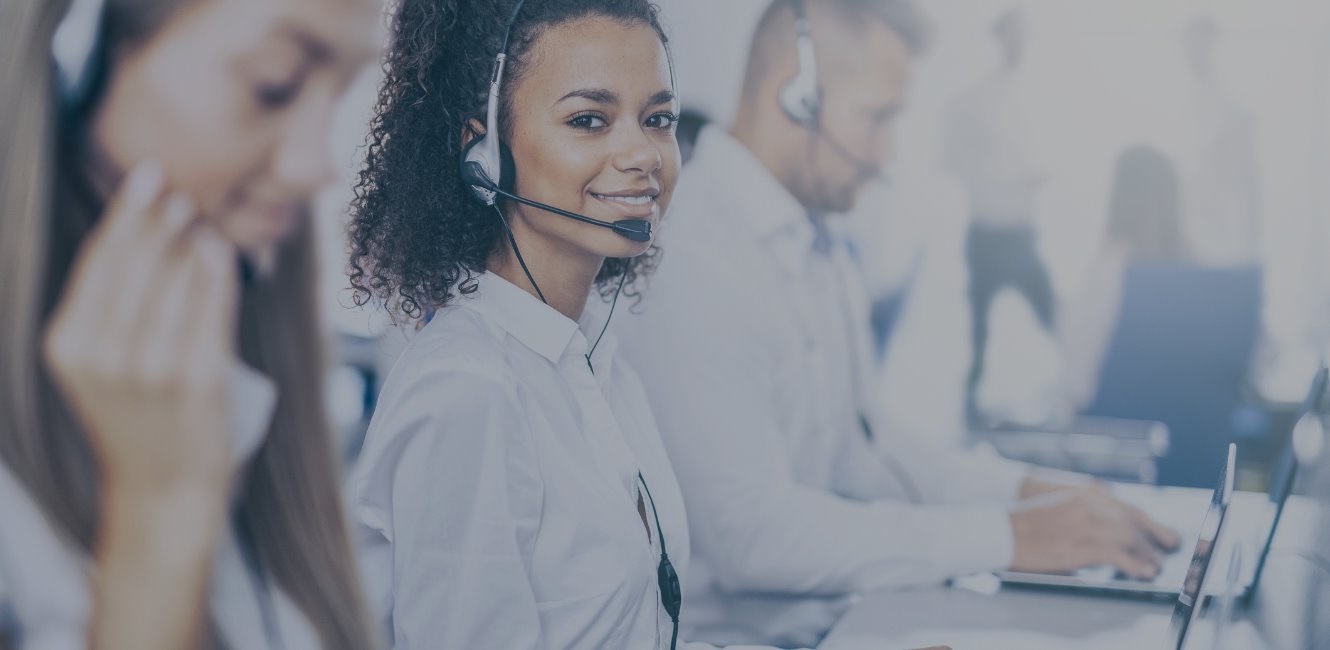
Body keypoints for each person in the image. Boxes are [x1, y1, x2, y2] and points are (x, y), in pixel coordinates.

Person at [615, 1, 1181, 647]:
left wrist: (1037, 493)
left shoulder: (813, 239)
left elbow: (870, 450)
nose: (888, 153)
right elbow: (750, 534)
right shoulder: (694, 253)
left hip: (851, 615)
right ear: (794, 98)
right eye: (877, 117)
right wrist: (1009, 536)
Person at [344, 1, 789, 648]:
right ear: (485, 154)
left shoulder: (597, 363)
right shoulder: (468, 392)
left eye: (657, 119)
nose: (643, 153)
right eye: (589, 120)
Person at [0, 0, 383, 648]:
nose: (314, 164)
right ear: (77, 62)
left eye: (342, 93)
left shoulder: (249, 377)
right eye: (276, 84)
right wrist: (157, 519)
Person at [940, 6, 1058, 427]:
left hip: (1023, 235)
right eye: (1012, 35)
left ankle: (1077, 397)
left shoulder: (1032, 97)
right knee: (979, 338)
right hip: (987, 235)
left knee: (1055, 319)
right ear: (999, 38)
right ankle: (970, 416)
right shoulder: (974, 100)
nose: (1018, 44)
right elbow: (950, 158)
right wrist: (1003, 175)